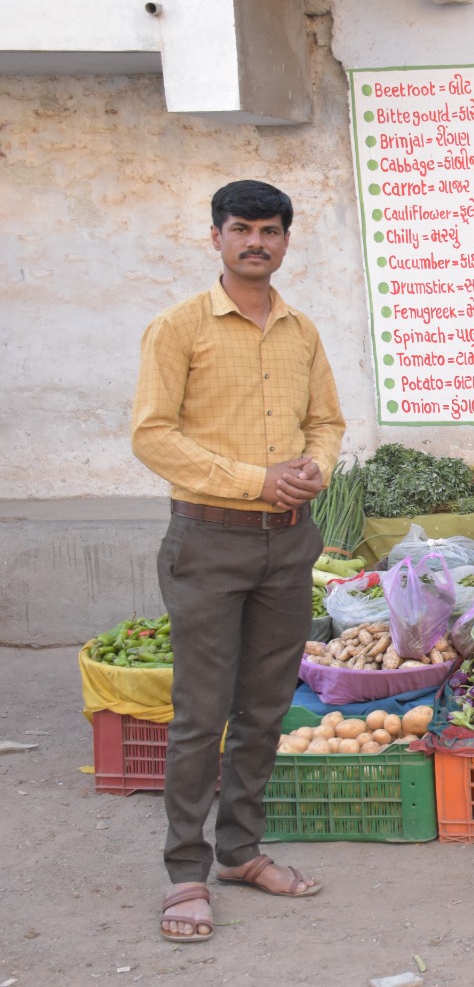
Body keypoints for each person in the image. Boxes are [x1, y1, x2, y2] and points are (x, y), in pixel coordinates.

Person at [131, 180, 345, 944]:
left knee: (262, 709)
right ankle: (185, 871)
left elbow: (325, 419)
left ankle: (241, 852)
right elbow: (153, 436)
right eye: (243, 228)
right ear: (216, 236)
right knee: (201, 714)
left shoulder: (301, 331)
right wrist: (256, 479)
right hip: (209, 540)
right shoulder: (179, 328)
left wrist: (314, 466)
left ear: (287, 240)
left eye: (271, 230)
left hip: (288, 542)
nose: (257, 241)